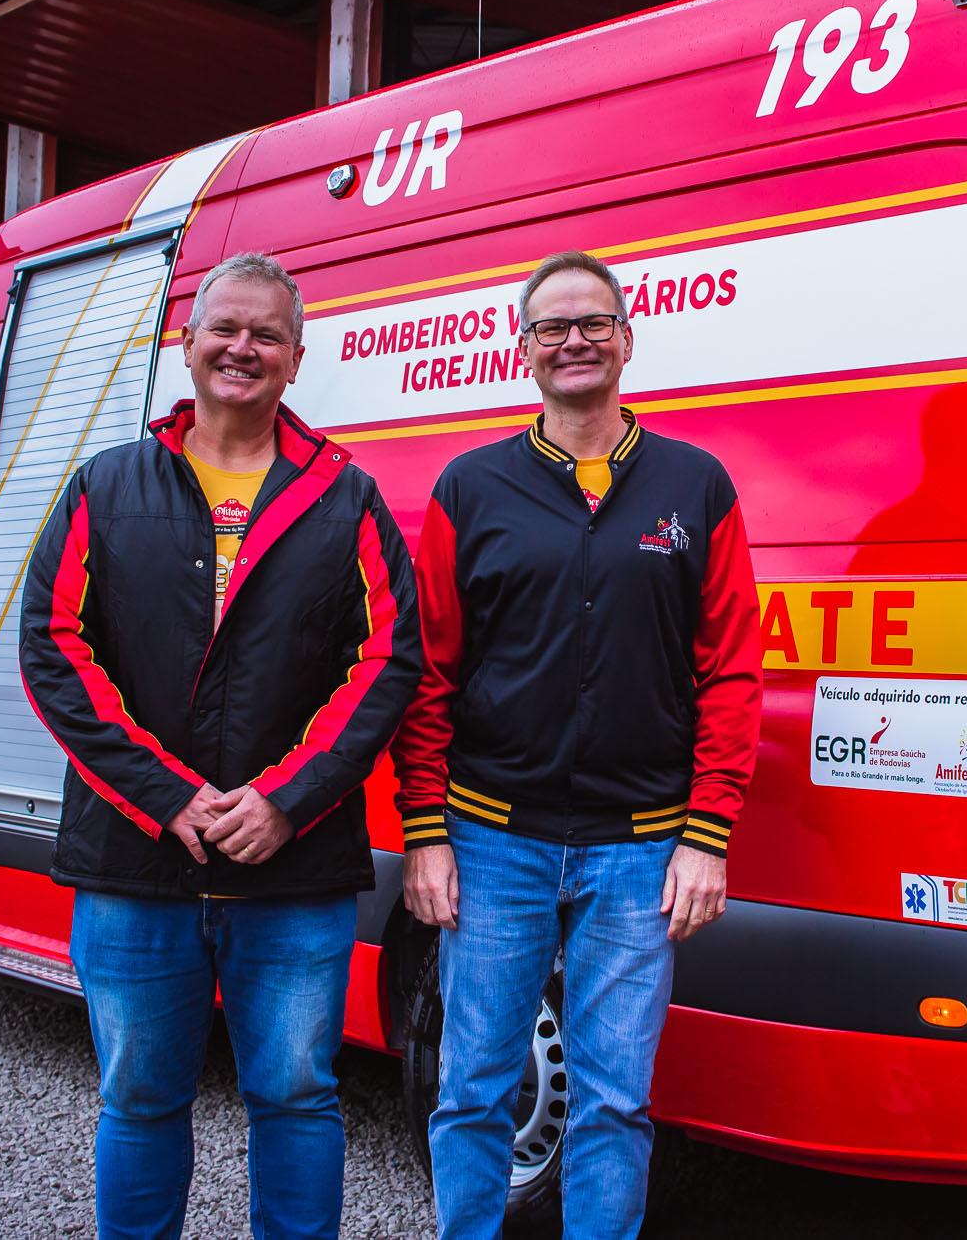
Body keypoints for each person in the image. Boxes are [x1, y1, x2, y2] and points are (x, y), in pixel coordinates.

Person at [20, 251, 422, 1240]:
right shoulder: (106, 487)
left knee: (294, 1098)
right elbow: (52, 648)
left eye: (266, 334)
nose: (241, 348)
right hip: (136, 864)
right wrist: (168, 796)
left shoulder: (346, 499)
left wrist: (286, 797)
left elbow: (387, 662)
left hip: (291, 869)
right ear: (188, 342)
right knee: (141, 1099)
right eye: (224, 328)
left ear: (295, 358)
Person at [392, 250, 763, 1239]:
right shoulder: (470, 487)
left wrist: (707, 833)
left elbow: (730, 671)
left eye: (592, 323)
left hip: (640, 848)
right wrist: (423, 831)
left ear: (625, 340)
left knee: (614, 1102)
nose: (573, 341)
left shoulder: (696, 486)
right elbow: (427, 673)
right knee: (471, 1088)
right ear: (523, 351)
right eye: (552, 327)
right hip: (491, 839)